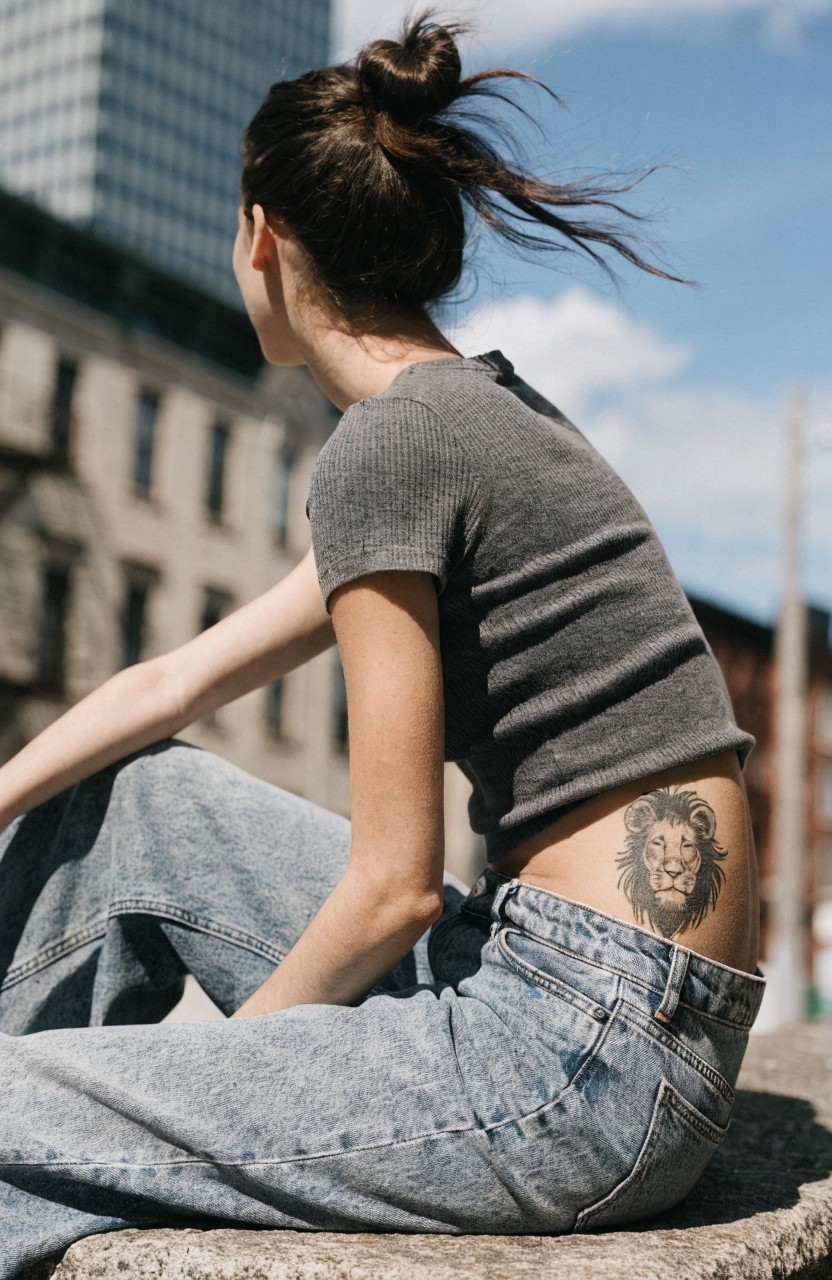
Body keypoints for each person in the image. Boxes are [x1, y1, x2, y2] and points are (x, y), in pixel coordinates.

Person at [0, 14, 763, 1274]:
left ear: (263, 236)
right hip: (613, 1005)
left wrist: (207, 1085)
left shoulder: (387, 450)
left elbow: (392, 882)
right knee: (140, 805)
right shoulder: (479, 412)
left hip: (583, 1052)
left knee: (30, 1110)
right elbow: (177, 678)